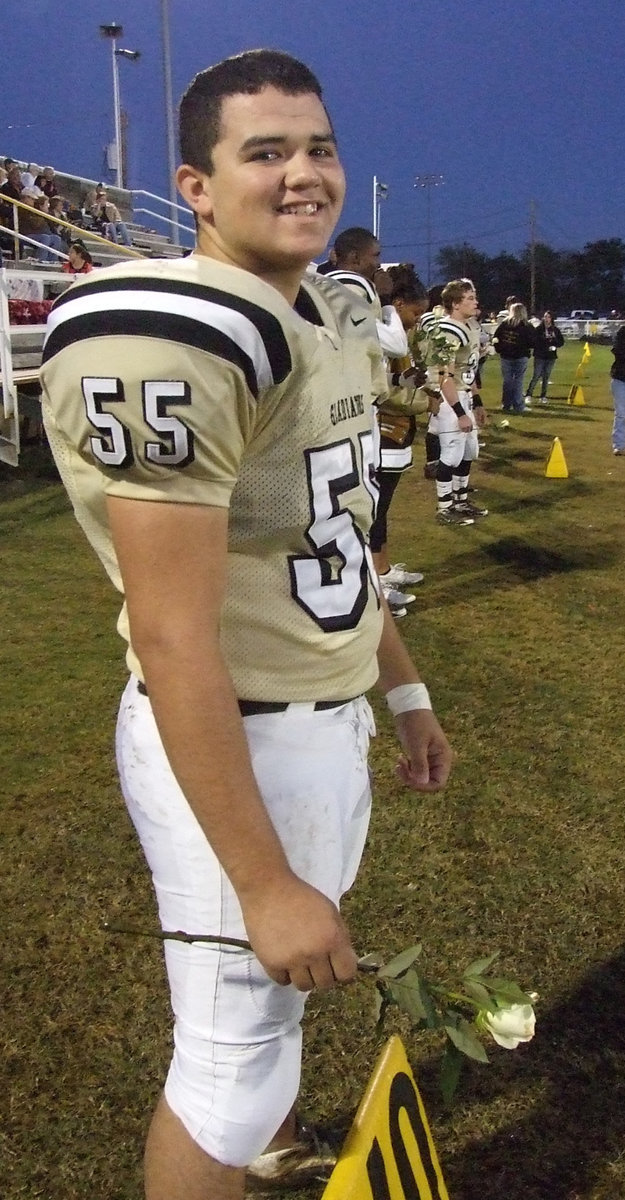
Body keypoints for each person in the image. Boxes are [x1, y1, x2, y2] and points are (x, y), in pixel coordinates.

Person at [40, 48, 452, 1200]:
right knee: (229, 1069)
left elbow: (337, 543)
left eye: (317, 147)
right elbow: (174, 636)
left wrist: (402, 689)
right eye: (262, 152)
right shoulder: (177, 333)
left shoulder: (325, 306)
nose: (303, 174)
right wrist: (264, 880)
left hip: (317, 720)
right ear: (196, 187)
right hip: (238, 735)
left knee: (262, 1036)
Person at [370, 281, 429, 615]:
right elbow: (382, 392)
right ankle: (375, 585)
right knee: (373, 512)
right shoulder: (377, 329)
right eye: (414, 313)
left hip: (395, 432)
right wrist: (422, 400)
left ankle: (383, 570)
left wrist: (411, 381)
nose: (416, 321)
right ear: (398, 303)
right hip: (381, 431)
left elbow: (392, 381)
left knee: (382, 509)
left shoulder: (400, 336)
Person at [422, 278, 488, 526]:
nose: (475, 302)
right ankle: (445, 507)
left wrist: (477, 401)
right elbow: (444, 377)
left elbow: (468, 370)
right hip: (451, 399)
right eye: (470, 298)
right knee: (450, 454)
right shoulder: (448, 331)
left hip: (465, 395)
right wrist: (459, 411)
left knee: (469, 451)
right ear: (455, 304)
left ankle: (461, 501)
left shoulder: (470, 326)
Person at [493, 302, 537, 413]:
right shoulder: (527, 326)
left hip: (506, 356)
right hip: (521, 356)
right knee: (518, 381)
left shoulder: (505, 324)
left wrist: (499, 349)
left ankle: (506, 404)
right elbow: (533, 342)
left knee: (507, 381)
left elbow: (496, 338)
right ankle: (518, 405)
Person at [525, 310, 564, 405]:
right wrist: (545, 344)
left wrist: (555, 345)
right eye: (545, 317)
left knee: (546, 377)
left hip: (551, 356)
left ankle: (543, 396)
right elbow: (535, 341)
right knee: (536, 375)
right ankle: (529, 394)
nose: (546, 319)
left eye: (548, 317)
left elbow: (561, 341)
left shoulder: (555, 330)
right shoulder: (539, 329)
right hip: (540, 355)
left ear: (552, 319)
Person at [610, 322, 625, 455]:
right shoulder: (622, 332)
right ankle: (619, 445)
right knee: (621, 413)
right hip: (621, 378)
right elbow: (617, 351)